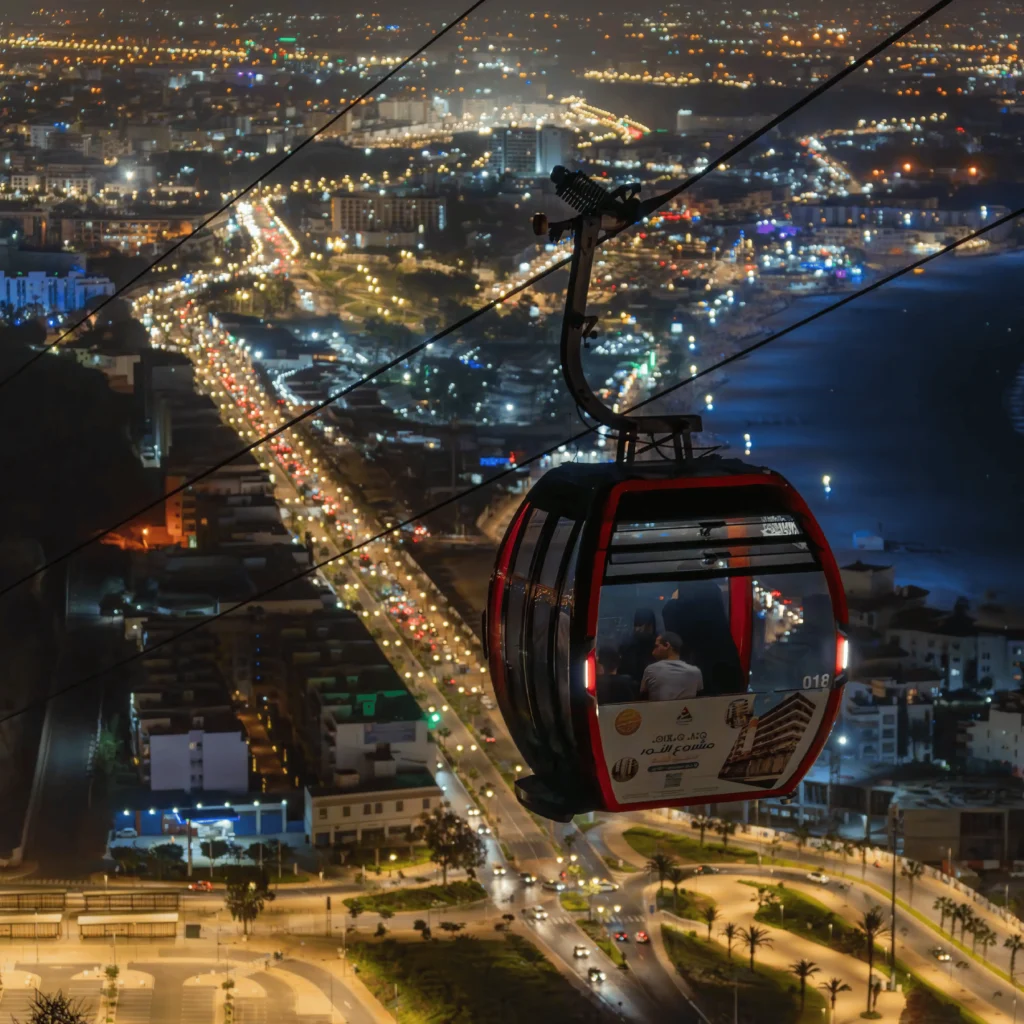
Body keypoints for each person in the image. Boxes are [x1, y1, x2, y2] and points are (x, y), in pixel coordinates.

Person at [639, 631, 703, 701]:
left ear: (667, 645)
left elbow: (643, 698)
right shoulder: (695, 671)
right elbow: (699, 697)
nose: (653, 652)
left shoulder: (651, 669)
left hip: (659, 711)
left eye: (656, 646)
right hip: (687, 711)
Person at [619, 608, 657, 681]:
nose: (639, 629)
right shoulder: (658, 642)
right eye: (638, 625)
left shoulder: (627, 643)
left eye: (641, 625)